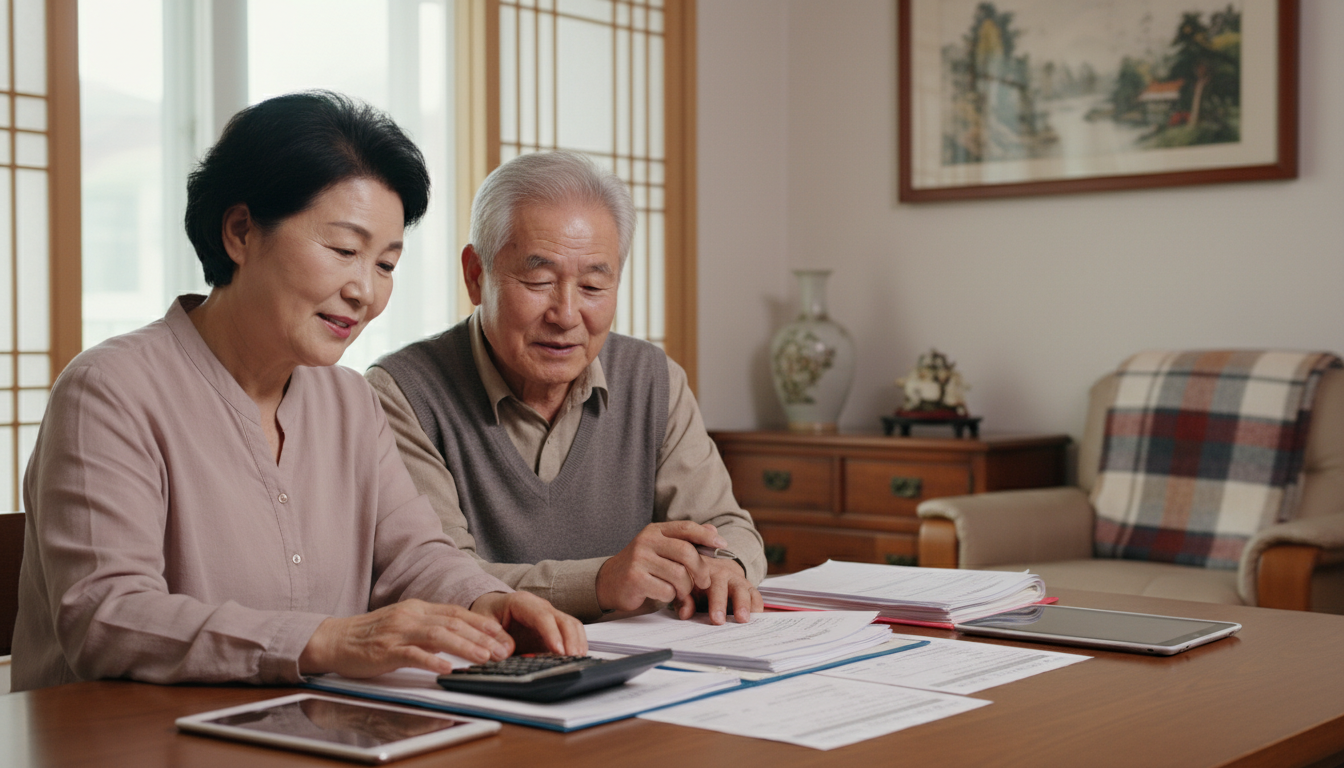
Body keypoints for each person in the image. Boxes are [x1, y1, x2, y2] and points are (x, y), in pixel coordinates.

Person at [11, 92, 585, 693]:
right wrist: (331, 641)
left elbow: (414, 555)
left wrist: (486, 601)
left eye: (386, 264)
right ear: (240, 231)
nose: (365, 291)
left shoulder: (350, 402)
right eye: (344, 250)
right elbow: (108, 616)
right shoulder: (110, 390)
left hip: (309, 731)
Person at [366, 151, 766, 626]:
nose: (567, 314)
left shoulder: (651, 378)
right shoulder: (403, 393)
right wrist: (601, 582)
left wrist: (723, 567)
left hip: (649, 670)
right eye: (539, 280)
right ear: (476, 275)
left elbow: (727, 527)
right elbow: (438, 577)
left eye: (594, 288)